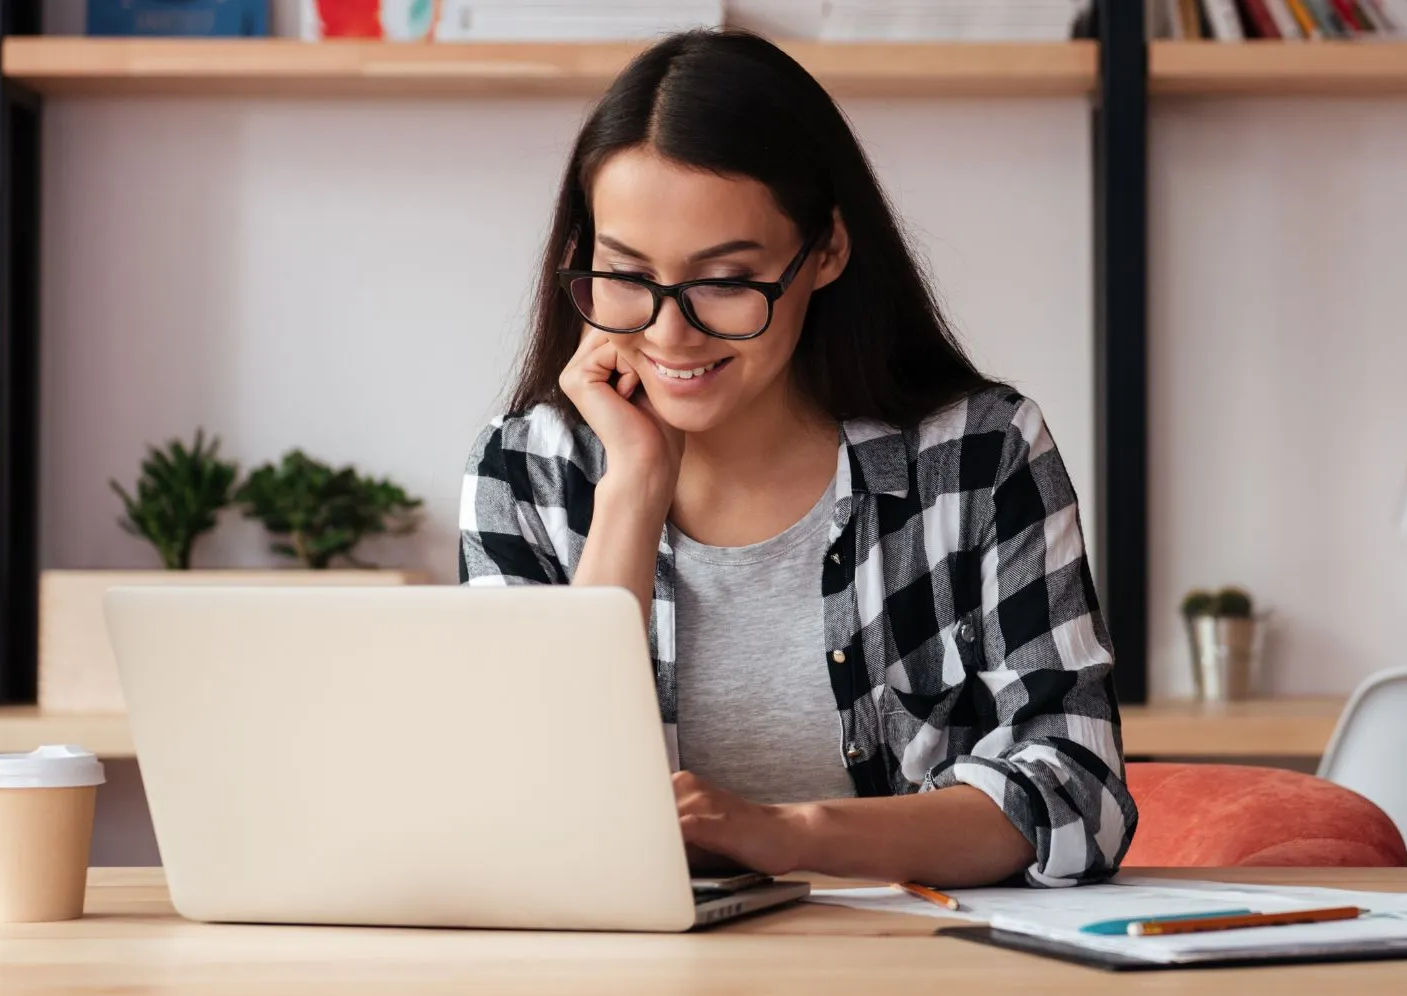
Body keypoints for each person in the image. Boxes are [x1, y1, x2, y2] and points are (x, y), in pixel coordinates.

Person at [458, 29, 1131, 889]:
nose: (671, 332)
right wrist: (634, 487)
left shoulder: (978, 454)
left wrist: (792, 834)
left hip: (921, 966)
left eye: (725, 280)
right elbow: (530, 810)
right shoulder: (524, 469)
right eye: (626, 275)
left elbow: (1078, 792)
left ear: (825, 253)